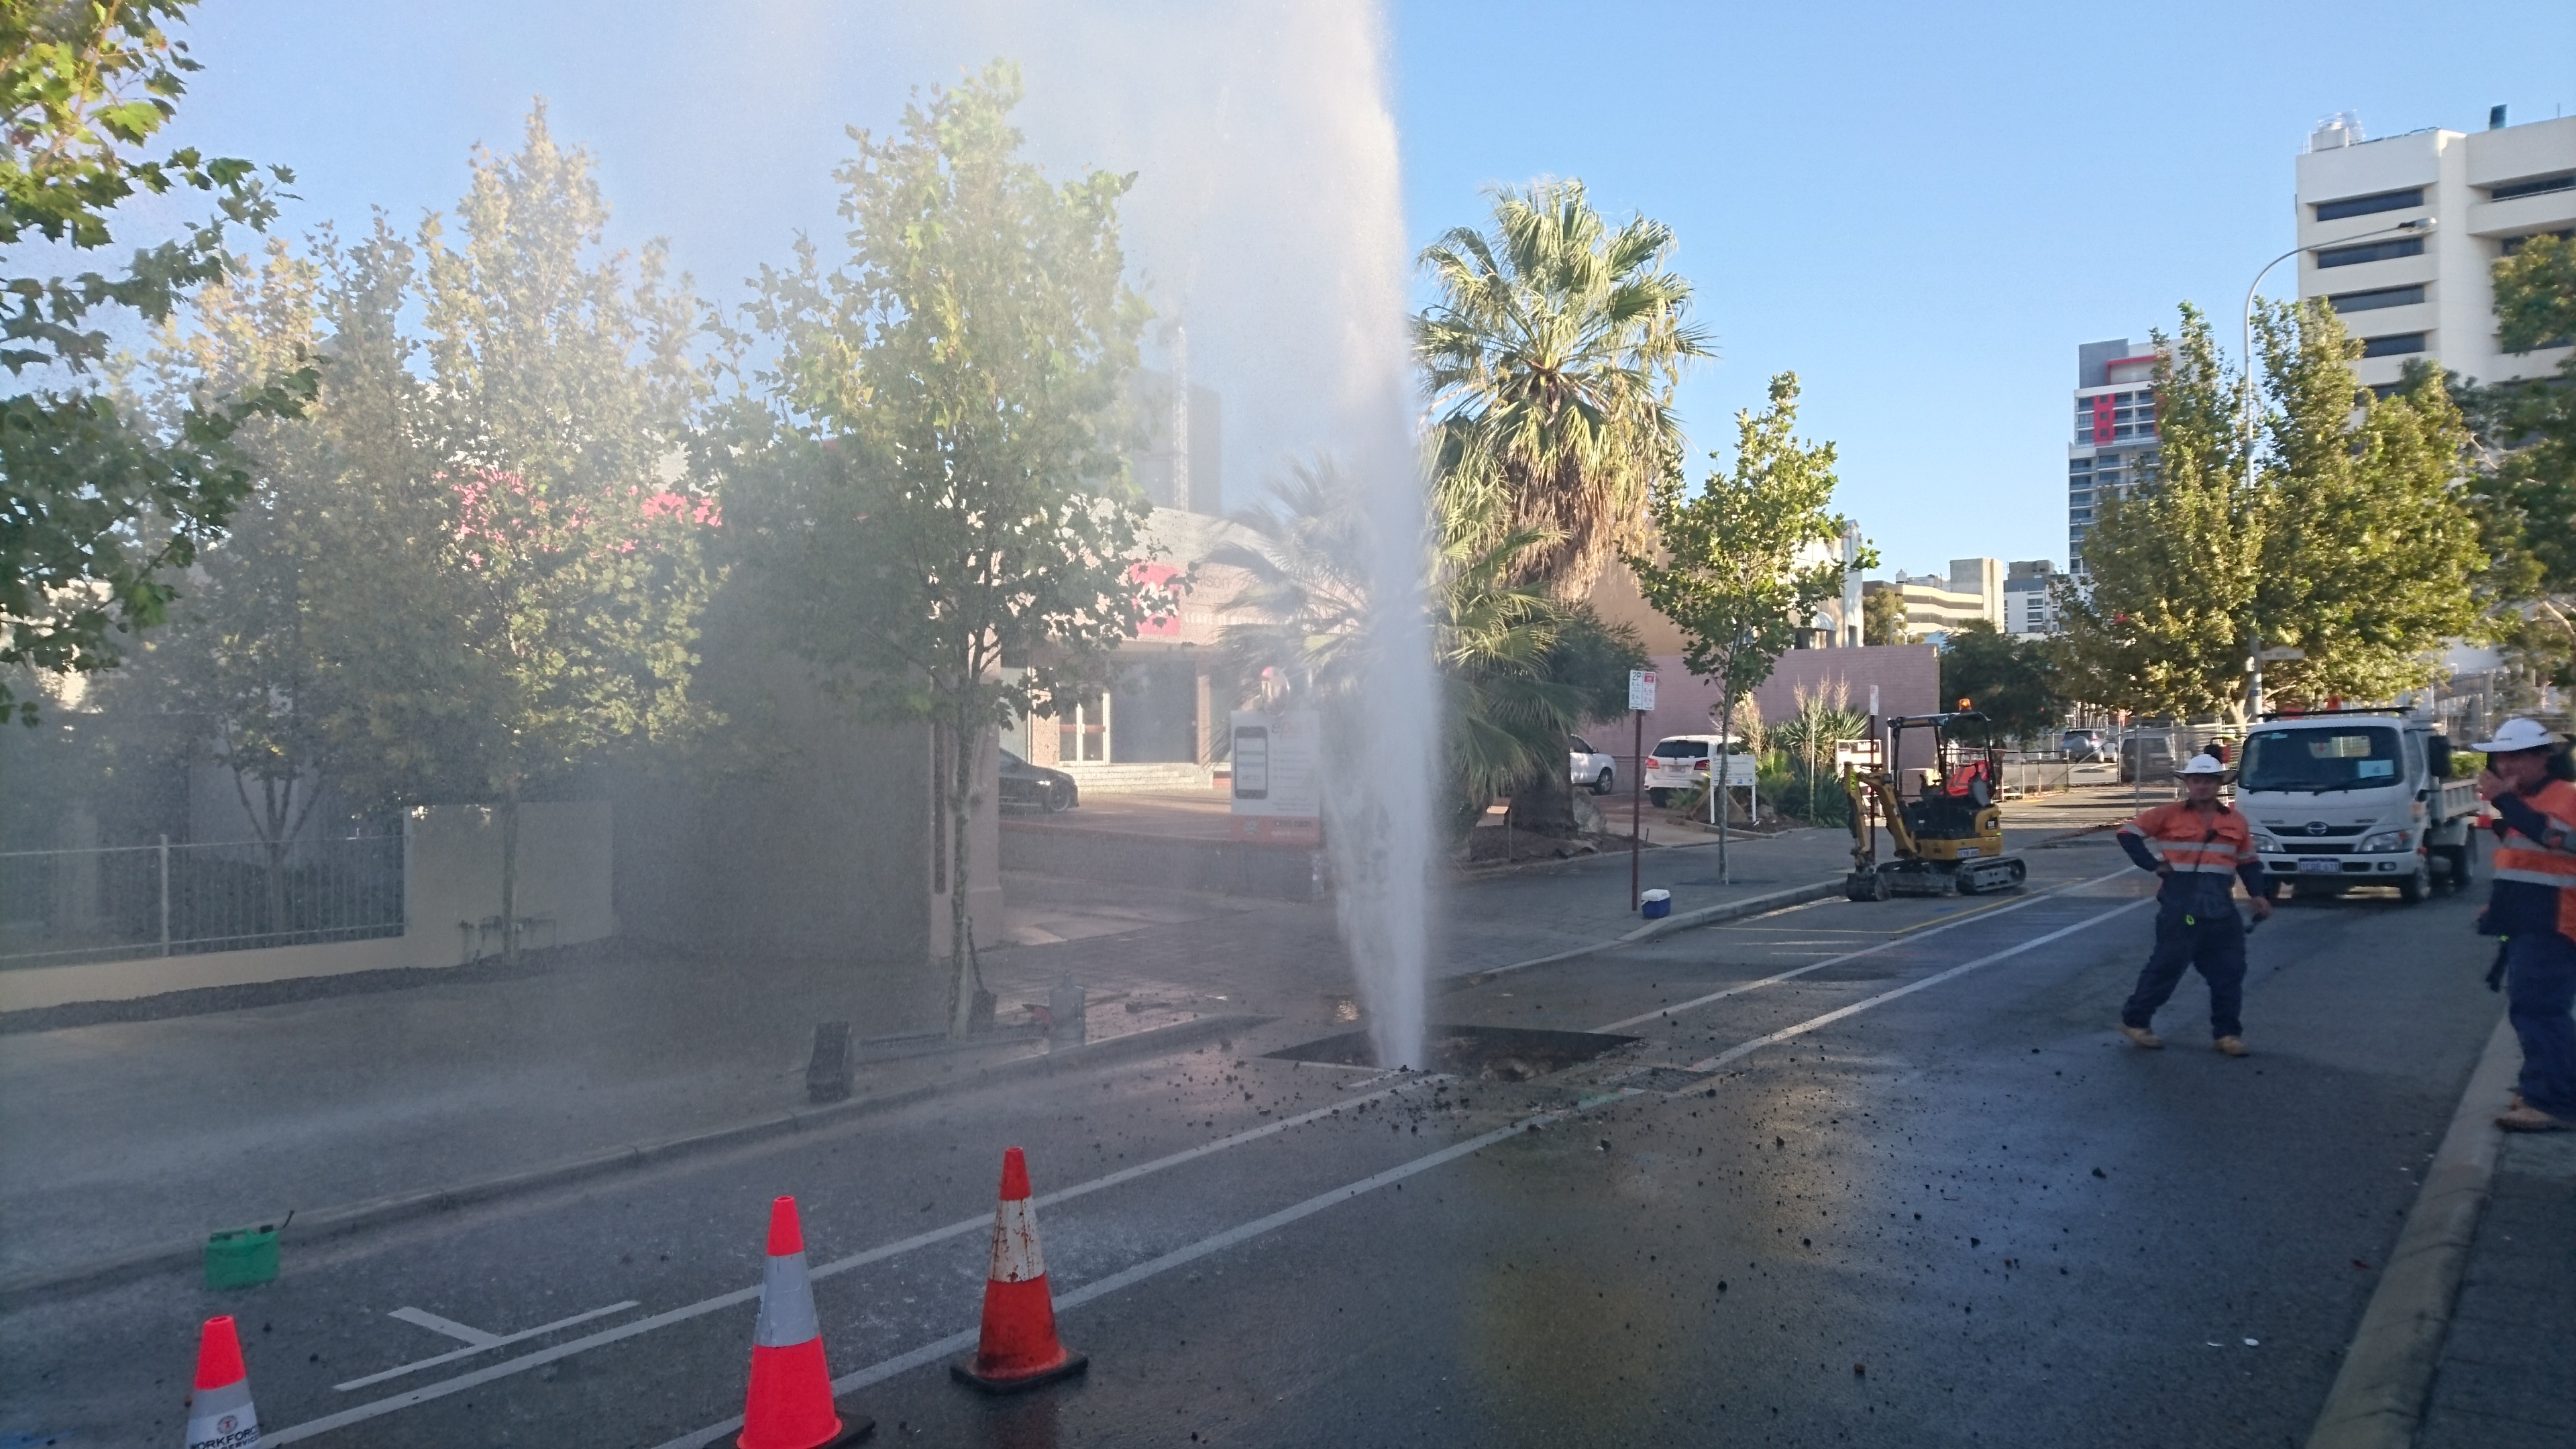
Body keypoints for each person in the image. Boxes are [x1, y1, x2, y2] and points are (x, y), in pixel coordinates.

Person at [2114, 753, 2275, 1055]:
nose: (2202, 787)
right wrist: (2154, 865)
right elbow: (2128, 835)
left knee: (2230, 972)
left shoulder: (2236, 821)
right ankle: (2135, 1021)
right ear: (2188, 783)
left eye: (2208, 781)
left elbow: (2249, 862)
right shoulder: (2167, 814)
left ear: (2219, 784)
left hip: (2220, 909)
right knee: (2167, 967)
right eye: (2196, 781)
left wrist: (2258, 895)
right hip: (2182, 911)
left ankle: (2227, 1035)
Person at [2470, 717, 2576, 1132]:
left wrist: (2505, 803)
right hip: (2531, 921)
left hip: (2556, 922)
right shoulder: (2522, 799)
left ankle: (2552, 1101)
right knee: (2532, 1010)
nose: (2505, 765)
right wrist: (2497, 911)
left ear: (2543, 757)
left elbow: (2557, 841)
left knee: (2540, 1012)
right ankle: (2544, 1088)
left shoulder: (2562, 796)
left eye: (2516, 756)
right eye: (2500, 757)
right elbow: (2520, 865)